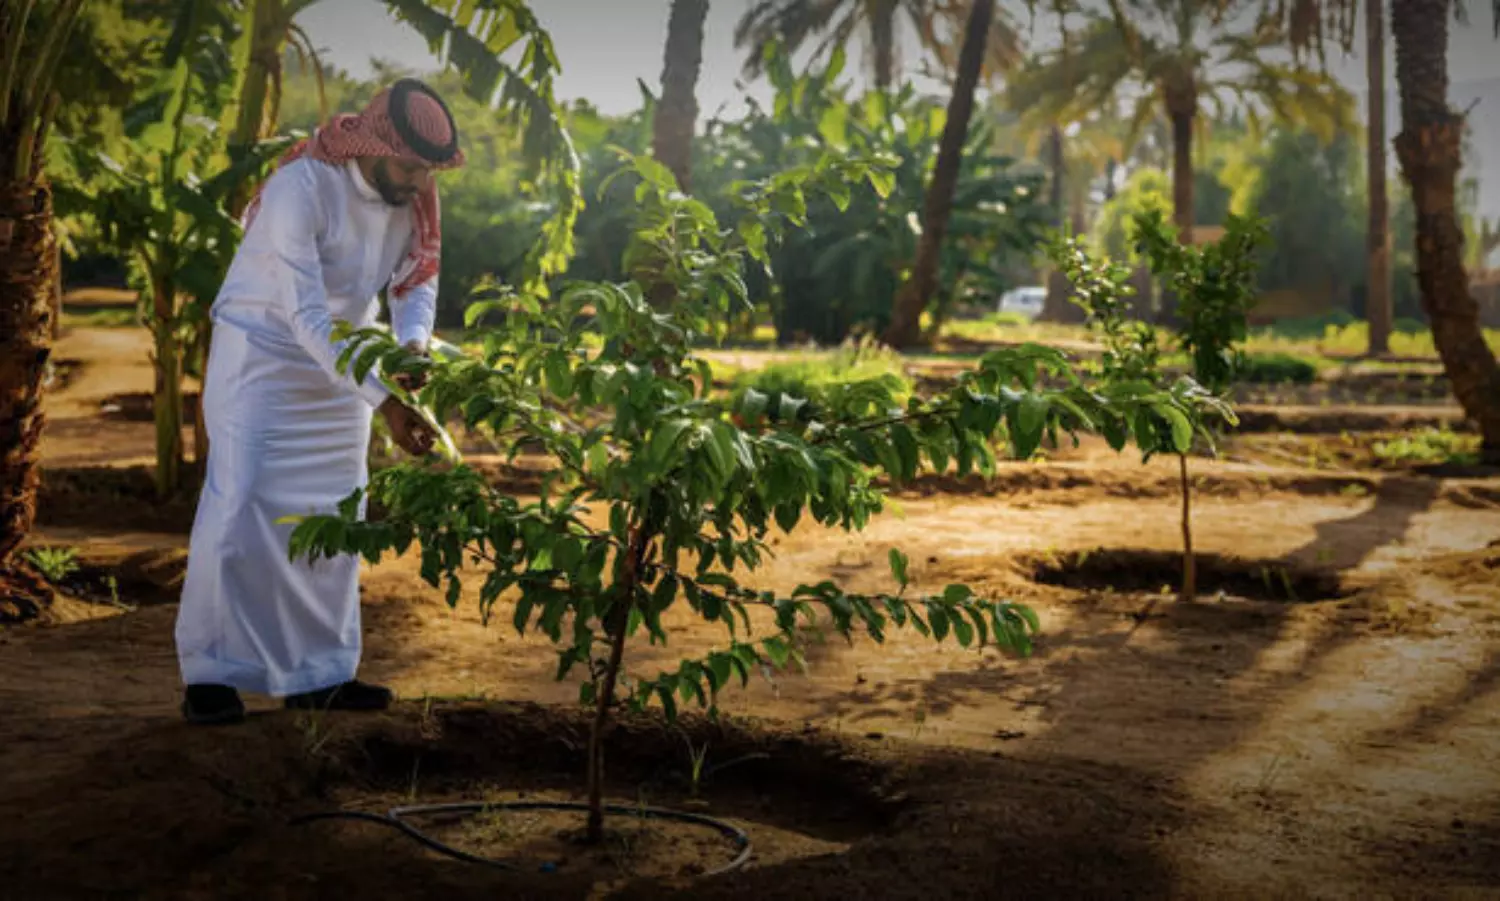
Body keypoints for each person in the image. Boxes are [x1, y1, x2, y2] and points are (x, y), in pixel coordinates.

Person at [174, 78, 464, 725]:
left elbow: (418, 275)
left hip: (344, 366)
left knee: (337, 514)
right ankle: (211, 674)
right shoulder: (300, 188)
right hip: (265, 359)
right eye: (411, 166)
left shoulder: (411, 194)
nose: (420, 182)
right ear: (374, 145)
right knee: (242, 504)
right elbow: (304, 316)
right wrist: (386, 401)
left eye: (428, 170)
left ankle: (321, 673)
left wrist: (412, 344)